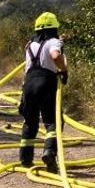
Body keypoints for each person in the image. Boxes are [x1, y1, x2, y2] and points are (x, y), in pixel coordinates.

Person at [19, 12, 69, 171]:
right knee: (52, 122)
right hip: (46, 83)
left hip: (28, 85)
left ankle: (25, 159)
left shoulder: (30, 45)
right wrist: (64, 70)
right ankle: (49, 153)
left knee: (30, 122)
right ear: (54, 28)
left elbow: (27, 67)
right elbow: (55, 56)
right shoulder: (53, 42)